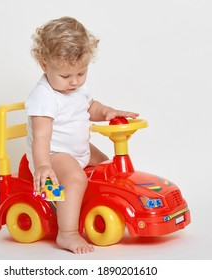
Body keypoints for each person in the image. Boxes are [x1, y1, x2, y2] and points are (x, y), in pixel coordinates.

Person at [25, 16, 139, 254]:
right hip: (54, 153)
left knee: (110, 167)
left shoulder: (76, 88)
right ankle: (67, 233)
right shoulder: (44, 97)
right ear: (44, 64)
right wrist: (43, 165)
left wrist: (108, 112)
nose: (74, 82)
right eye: (66, 76)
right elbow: (41, 137)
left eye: (81, 73)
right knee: (76, 179)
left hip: (80, 148)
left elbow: (89, 107)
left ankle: (98, 206)